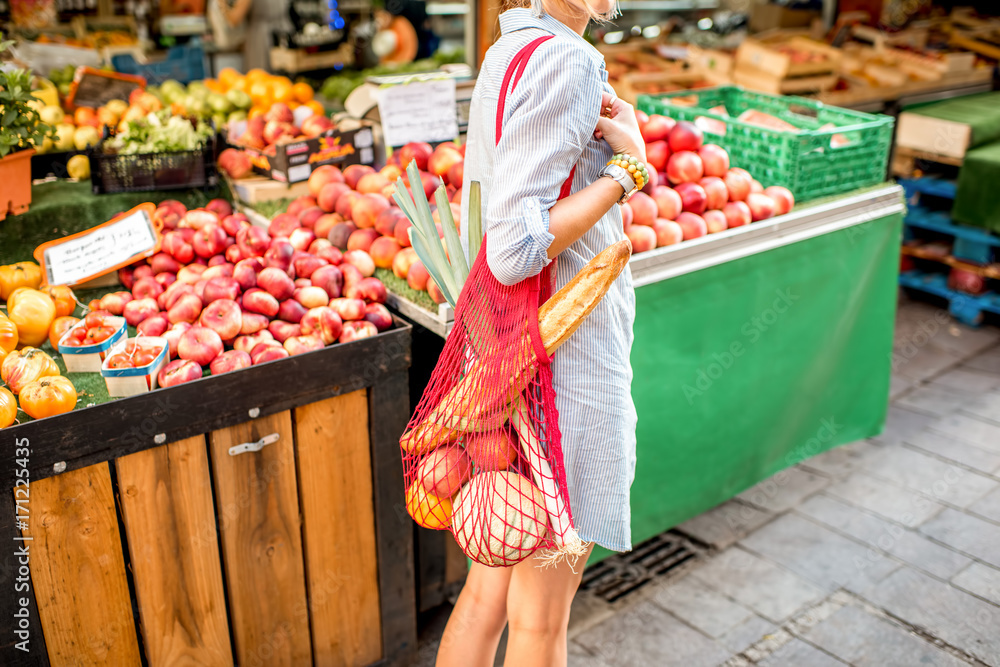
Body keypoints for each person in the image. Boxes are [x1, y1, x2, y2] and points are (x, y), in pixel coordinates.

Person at [445, 0, 644, 665]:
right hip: (560, 367)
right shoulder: (568, 57)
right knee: (540, 622)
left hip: (508, 356)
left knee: (486, 596)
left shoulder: (512, 49)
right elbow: (514, 246)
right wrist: (627, 172)